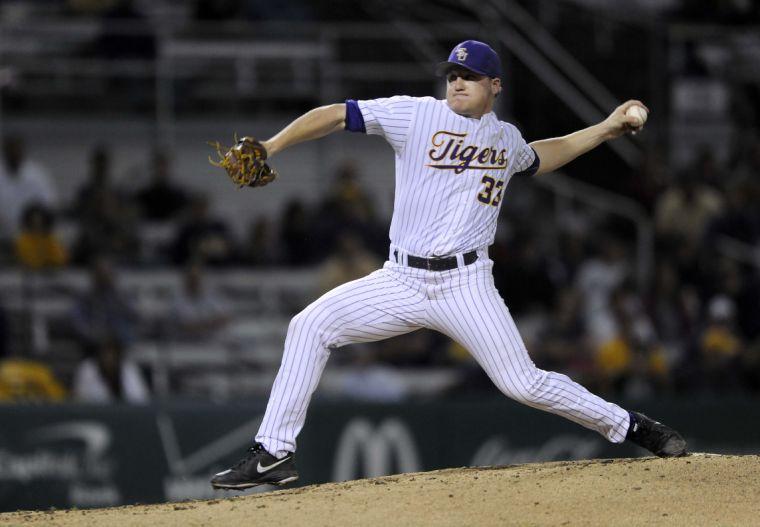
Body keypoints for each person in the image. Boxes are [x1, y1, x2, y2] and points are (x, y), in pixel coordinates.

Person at [211, 40, 687, 490]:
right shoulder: (416, 114)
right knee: (308, 325)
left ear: (495, 86)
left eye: (471, 76)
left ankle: (631, 425)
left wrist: (606, 128)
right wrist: (271, 146)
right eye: (453, 74)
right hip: (401, 279)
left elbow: (542, 155)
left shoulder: (505, 138)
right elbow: (336, 114)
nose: (457, 82)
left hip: (466, 284)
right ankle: (273, 452)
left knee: (523, 383)